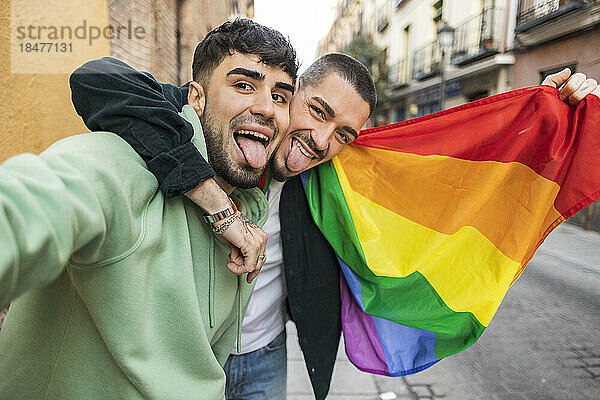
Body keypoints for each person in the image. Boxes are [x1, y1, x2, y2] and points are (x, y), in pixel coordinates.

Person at [69, 51, 598, 400]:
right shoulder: (215, 131)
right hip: (178, 358)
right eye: (316, 111)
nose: (323, 141)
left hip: (262, 359)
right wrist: (217, 204)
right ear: (287, 94)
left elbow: (453, 157)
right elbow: (98, 80)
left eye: (344, 133)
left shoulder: (338, 178)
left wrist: (544, 111)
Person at [0, 19, 298, 399]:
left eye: (281, 96)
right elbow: (30, 209)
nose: (268, 109)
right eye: (243, 85)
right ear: (196, 98)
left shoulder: (249, 208)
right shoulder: (118, 164)